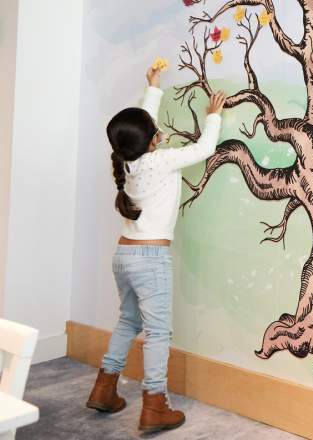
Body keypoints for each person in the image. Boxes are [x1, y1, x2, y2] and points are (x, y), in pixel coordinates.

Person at [85, 65, 225, 433]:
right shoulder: (161, 160)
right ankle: (154, 405)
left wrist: (154, 88)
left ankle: (104, 388)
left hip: (124, 255)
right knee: (158, 333)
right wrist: (213, 116)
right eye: (154, 132)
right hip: (150, 258)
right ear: (152, 141)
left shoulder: (125, 160)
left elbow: (142, 126)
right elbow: (205, 148)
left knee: (128, 321)